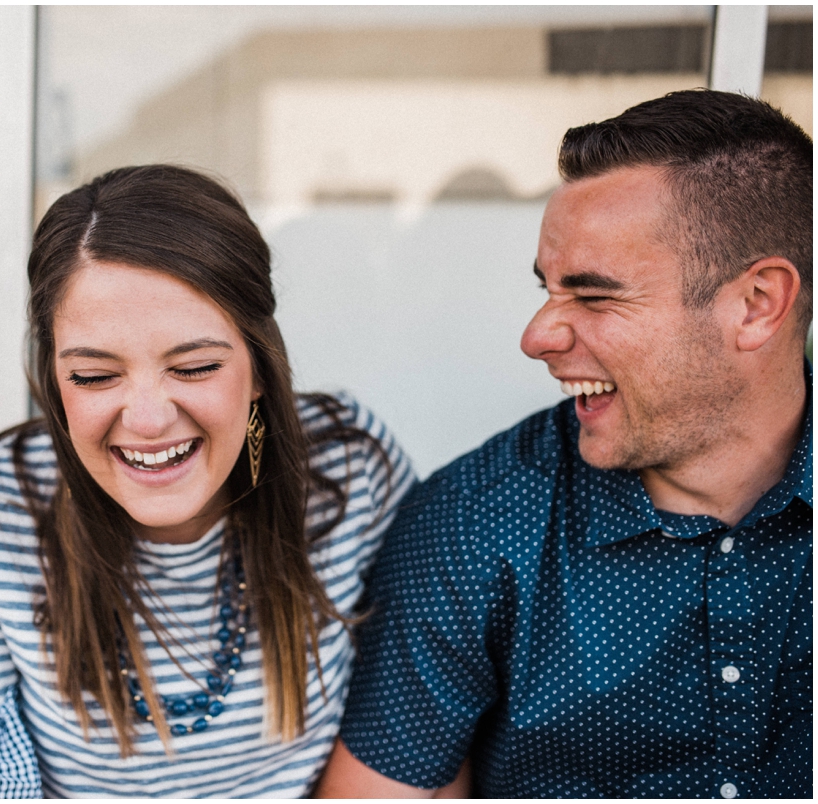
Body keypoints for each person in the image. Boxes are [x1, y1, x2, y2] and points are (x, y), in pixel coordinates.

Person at [0, 164, 432, 797]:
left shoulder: (349, 465)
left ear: (260, 367)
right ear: (54, 380)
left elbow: (432, 721)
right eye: (93, 377)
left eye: (193, 367)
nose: (147, 419)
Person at [317, 89, 812, 798]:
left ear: (756, 304)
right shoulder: (475, 521)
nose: (537, 337)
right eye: (548, 289)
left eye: (595, 295)